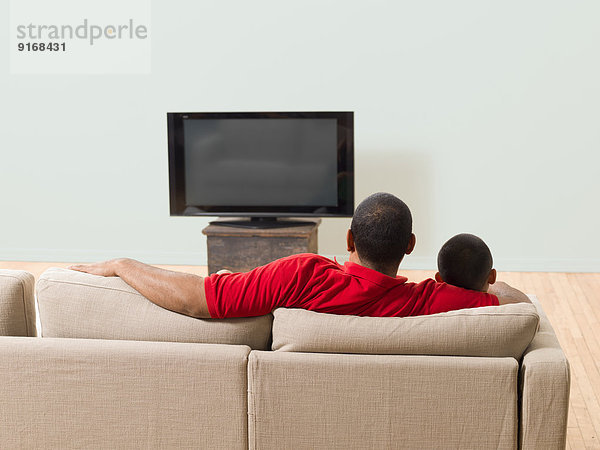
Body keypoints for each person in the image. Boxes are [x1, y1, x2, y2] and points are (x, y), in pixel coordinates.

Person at [70, 192, 530, 319]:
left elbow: (195, 300)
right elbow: (516, 302)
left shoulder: (302, 274)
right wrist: (492, 284)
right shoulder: (431, 303)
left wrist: (122, 264)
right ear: (410, 247)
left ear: (349, 240)